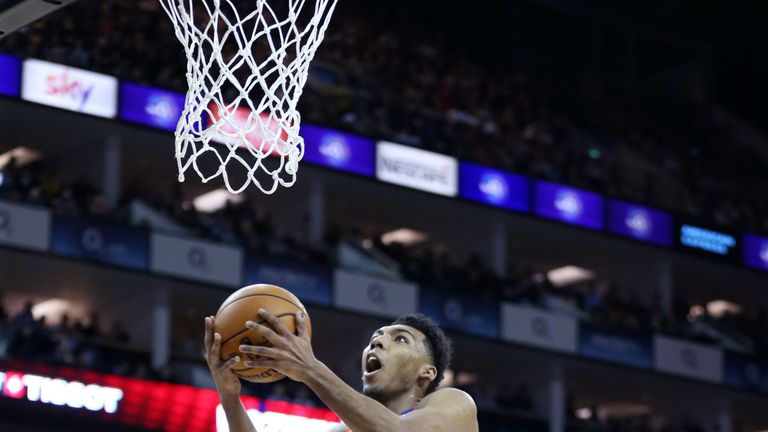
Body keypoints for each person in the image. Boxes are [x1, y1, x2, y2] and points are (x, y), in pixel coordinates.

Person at [204, 310, 478, 432]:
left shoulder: (454, 405)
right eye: (376, 337)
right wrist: (229, 399)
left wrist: (310, 368)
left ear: (427, 372)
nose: (378, 341)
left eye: (401, 339)